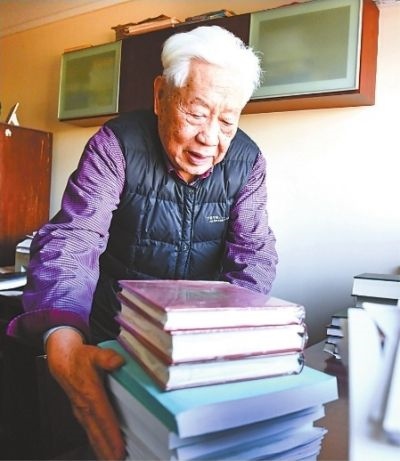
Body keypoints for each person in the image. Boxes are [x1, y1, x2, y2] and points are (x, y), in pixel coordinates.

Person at [7, 25, 278, 460]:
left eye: (227, 120)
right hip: (111, 339)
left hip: (193, 353)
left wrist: (228, 342)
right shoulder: (117, 145)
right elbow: (76, 236)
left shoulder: (248, 162)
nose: (210, 137)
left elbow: (254, 256)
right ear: (160, 96)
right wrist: (62, 334)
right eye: (196, 113)